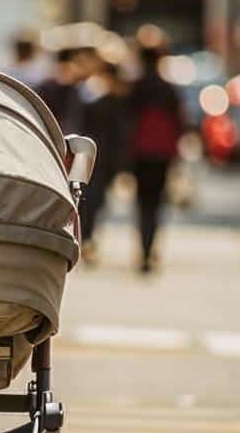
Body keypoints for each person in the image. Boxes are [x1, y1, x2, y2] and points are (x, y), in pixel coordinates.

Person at [127, 25, 186, 274]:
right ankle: (150, 249)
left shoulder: (134, 88)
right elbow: (180, 123)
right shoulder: (169, 89)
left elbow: (125, 122)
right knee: (156, 202)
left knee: (142, 203)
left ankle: (144, 248)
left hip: (139, 151)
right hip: (162, 152)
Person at [78, 56, 129, 262]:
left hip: (94, 156)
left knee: (91, 200)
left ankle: (86, 238)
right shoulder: (114, 99)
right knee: (93, 201)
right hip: (105, 158)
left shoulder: (91, 95)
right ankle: (86, 238)